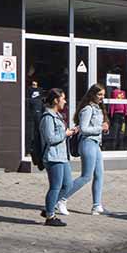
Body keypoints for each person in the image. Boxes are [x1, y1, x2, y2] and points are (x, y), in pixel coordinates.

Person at [63, 83, 109, 216]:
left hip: (96, 144)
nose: (101, 97)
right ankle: (61, 198)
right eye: (99, 94)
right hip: (87, 143)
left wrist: (104, 129)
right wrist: (100, 128)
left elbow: (96, 128)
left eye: (103, 95)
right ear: (92, 94)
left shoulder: (98, 108)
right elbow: (84, 129)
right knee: (86, 176)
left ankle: (97, 206)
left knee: (99, 175)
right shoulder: (87, 109)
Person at [39, 88, 77, 227]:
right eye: (63, 98)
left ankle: (49, 207)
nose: (65, 101)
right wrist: (65, 134)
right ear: (56, 100)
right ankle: (50, 216)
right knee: (55, 187)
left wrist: (70, 132)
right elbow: (50, 138)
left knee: (68, 185)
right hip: (53, 157)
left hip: (62, 156)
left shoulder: (58, 115)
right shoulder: (48, 117)